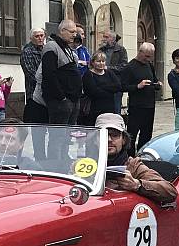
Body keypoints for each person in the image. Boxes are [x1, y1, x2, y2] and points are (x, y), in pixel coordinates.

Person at [96, 113, 176, 204]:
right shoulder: (86, 163)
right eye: (104, 135)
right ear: (95, 139)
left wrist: (136, 184)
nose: (109, 139)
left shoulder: (133, 165)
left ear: (124, 140)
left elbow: (170, 191)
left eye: (115, 135)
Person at [41, 20, 83, 158]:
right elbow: (49, 75)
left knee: (67, 136)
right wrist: (61, 97)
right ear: (62, 30)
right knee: (57, 137)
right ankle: (55, 164)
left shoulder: (68, 49)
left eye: (75, 32)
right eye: (71, 32)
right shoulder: (52, 47)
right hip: (61, 101)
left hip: (72, 99)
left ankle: (64, 160)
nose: (74, 35)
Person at [119, 42, 162, 154]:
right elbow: (122, 86)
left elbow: (154, 80)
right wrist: (138, 86)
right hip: (136, 106)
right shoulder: (130, 67)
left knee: (147, 133)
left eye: (150, 56)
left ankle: (143, 155)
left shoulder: (149, 65)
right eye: (146, 56)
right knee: (132, 134)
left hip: (150, 105)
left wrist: (157, 84)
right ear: (140, 52)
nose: (148, 59)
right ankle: (130, 156)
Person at [21, 27, 48, 159]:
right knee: (38, 131)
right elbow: (31, 74)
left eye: (42, 35)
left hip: (49, 97)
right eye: (37, 36)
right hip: (34, 97)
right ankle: (40, 157)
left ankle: (51, 158)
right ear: (32, 38)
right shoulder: (27, 52)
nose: (40, 38)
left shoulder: (47, 49)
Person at [82, 52, 121, 125]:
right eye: (98, 61)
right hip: (94, 110)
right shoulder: (88, 75)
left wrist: (101, 87)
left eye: (103, 61)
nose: (101, 63)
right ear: (93, 62)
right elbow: (93, 92)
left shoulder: (109, 73)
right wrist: (110, 89)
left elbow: (118, 86)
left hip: (109, 109)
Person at [99, 30, 129, 113]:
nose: (104, 39)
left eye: (106, 37)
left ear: (113, 39)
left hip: (115, 83)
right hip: (102, 83)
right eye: (103, 37)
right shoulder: (101, 50)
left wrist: (108, 68)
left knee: (116, 109)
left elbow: (124, 66)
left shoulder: (121, 50)